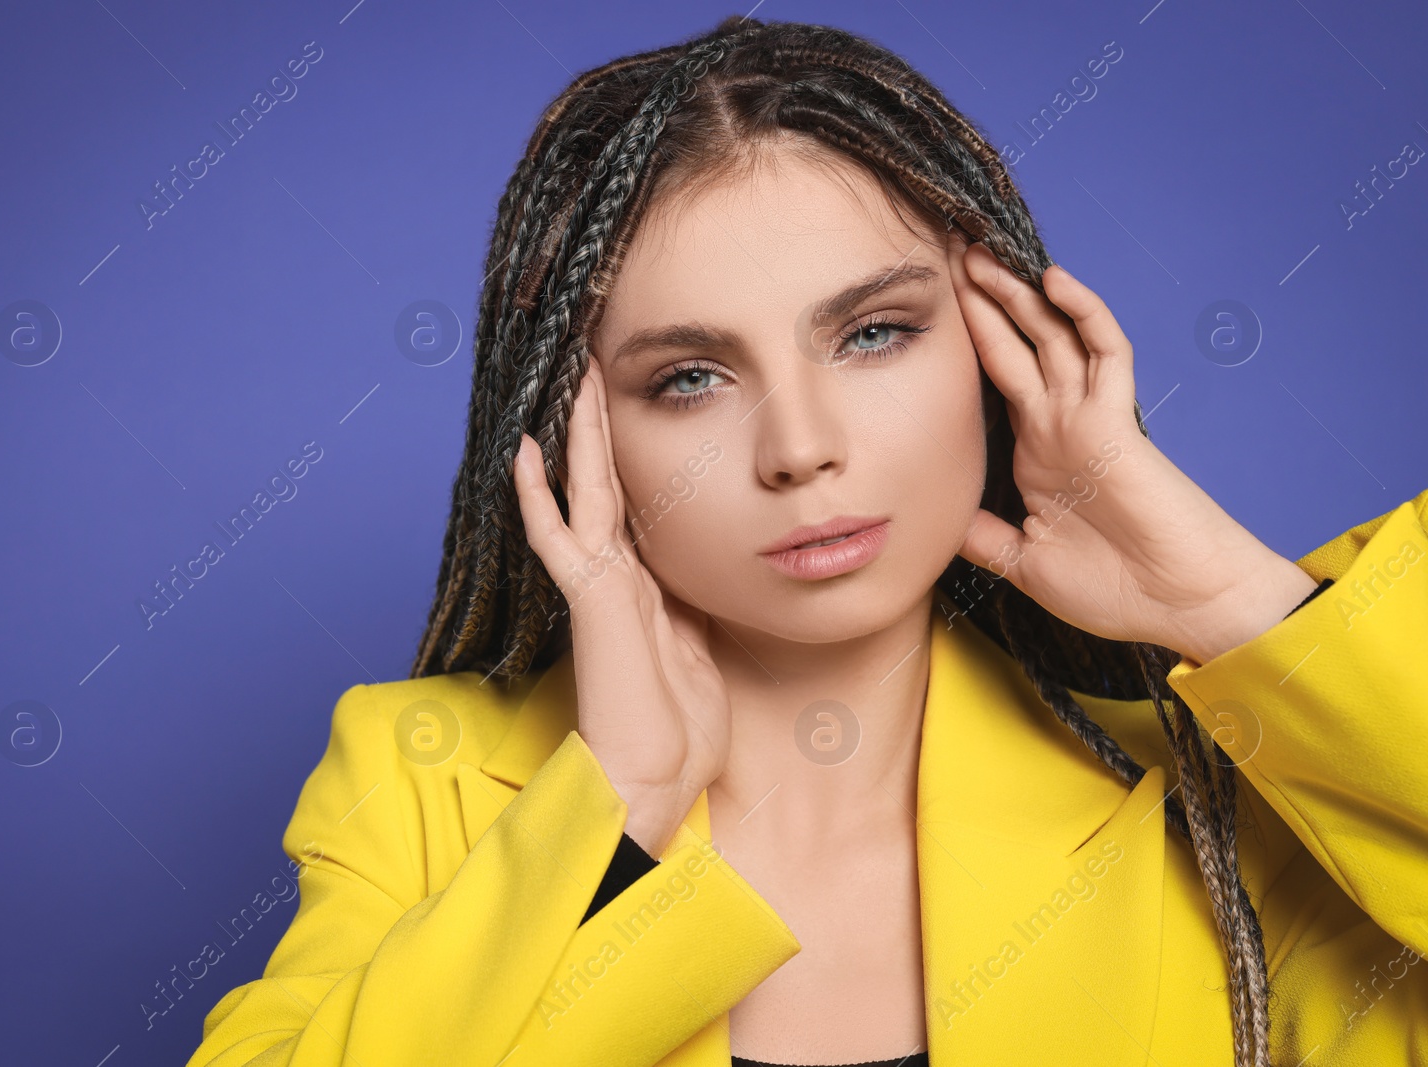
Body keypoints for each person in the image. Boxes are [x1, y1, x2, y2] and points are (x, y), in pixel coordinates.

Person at [182, 14, 1428, 1067]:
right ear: (577, 429)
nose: (800, 446)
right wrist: (617, 809)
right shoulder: (417, 779)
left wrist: (1230, 601)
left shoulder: (1229, 800)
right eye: (688, 377)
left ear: (1000, 343)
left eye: (873, 332)